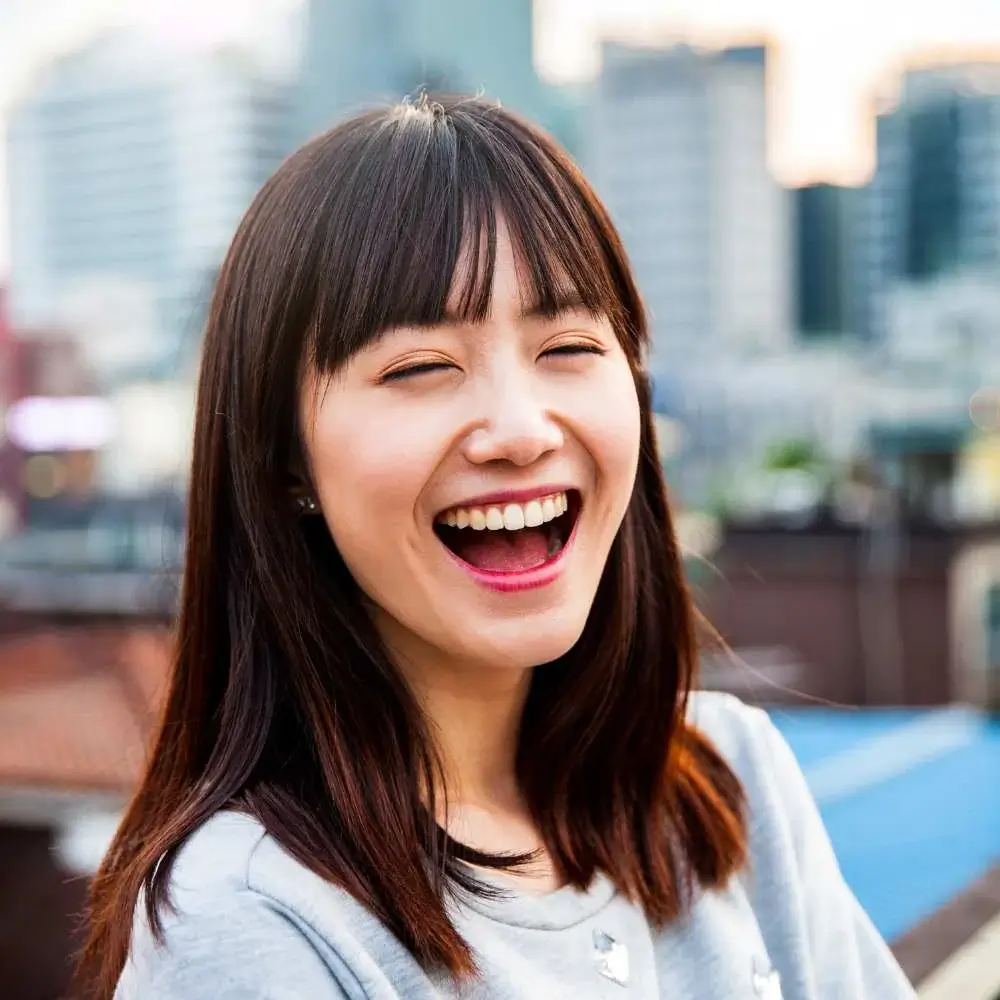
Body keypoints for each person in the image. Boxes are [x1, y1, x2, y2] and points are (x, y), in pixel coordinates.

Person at [76, 95, 916, 1000]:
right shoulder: (251, 919)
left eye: (567, 345)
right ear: (285, 458)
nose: (519, 430)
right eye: (419, 368)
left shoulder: (724, 779)